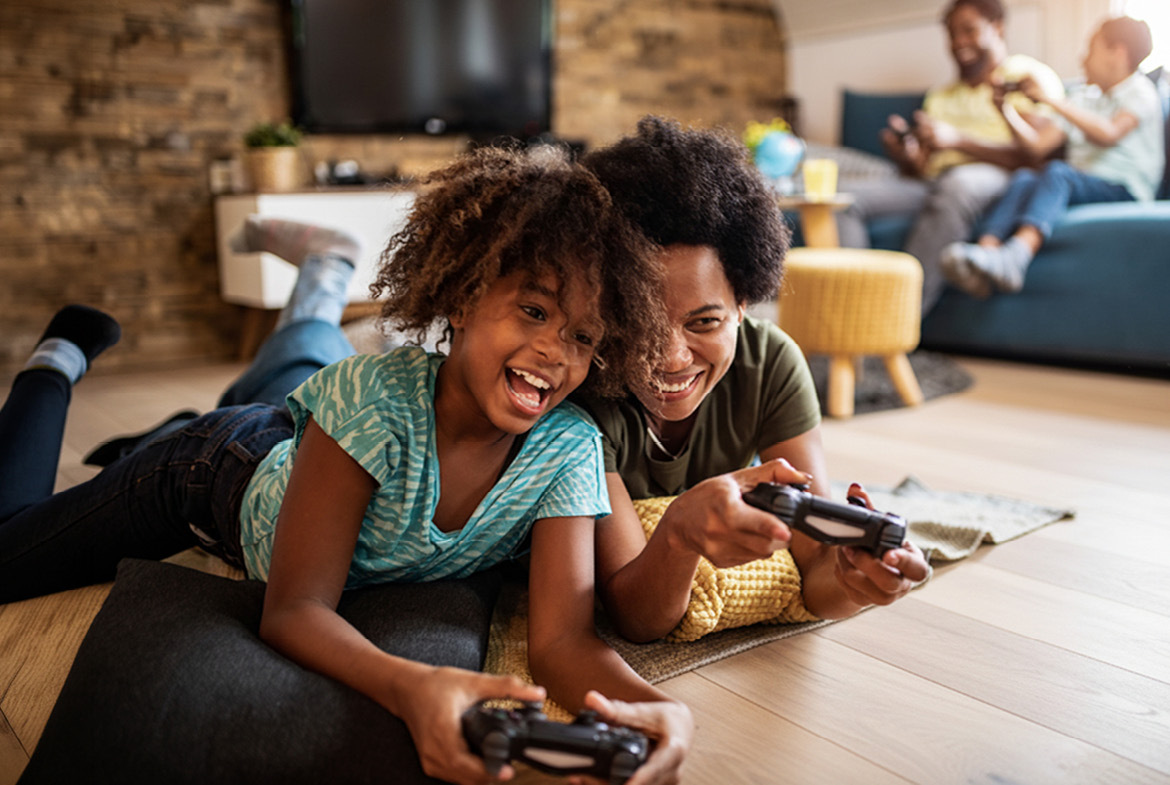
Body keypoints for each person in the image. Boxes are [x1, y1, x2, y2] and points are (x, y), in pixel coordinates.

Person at [0, 146, 694, 785]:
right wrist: (413, 685)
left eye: (582, 335)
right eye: (534, 310)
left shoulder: (567, 449)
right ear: (461, 297)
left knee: (295, 381)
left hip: (311, 445)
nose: (555, 351)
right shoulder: (372, 400)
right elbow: (294, 610)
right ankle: (54, 366)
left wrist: (662, 708)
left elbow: (563, 640)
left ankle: (315, 282)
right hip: (211, 471)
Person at [577, 116, 932, 644]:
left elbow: (816, 576)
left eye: (704, 322)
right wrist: (678, 534)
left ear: (743, 304)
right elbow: (637, 618)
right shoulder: (582, 389)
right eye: (640, 324)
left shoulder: (769, 364)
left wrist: (854, 579)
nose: (670, 358)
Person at [835, 0, 1064, 314]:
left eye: (968, 30)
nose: (958, 42)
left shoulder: (1026, 76)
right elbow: (922, 170)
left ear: (997, 27)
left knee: (957, 185)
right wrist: (907, 157)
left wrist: (958, 141)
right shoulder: (941, 96)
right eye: (952, 34)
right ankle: (854, 313)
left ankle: (896, 318)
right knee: (843, 199)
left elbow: (1035, 156)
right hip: (934, 181)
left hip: (996, 176)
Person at [941, 16, 1164, 296]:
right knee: (1024, 178)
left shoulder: (1139, 91)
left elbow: (1109, 133)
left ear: (1117, 53)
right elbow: (1036, 147)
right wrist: (1005, 111)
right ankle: (984, 256)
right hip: (1082, 184)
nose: (1082, 59)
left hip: (1124, 190)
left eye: (1091, 50)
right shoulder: (1083, 99)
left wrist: (1052, 100)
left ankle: (1016, 256)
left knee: (1058, 172)